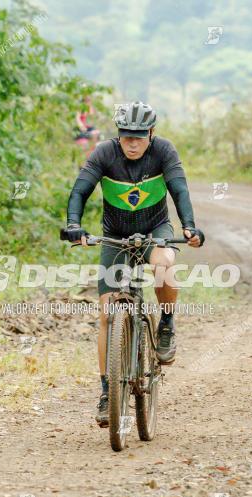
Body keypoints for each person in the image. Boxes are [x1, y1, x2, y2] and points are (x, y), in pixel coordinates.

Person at [64, 101, 205, 426]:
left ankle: (166, 324)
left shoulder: (164, 152)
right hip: (115, 235)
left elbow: (180, 190)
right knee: (106, 312)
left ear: (151, 134)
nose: (132, 141)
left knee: (164, 263)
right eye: (126, 135)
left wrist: (188, 226)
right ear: (119, 134)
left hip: (156, 229)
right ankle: (106, 392)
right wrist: (74, 224)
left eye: (139, 136)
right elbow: (80, 190)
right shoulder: (104, 153)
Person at [74, 96, 100, 164]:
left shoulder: (89, 110)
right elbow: (77, 119)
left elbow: (91, 118)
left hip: (88, 130)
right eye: (86, 101)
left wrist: (90, 108)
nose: (88, 103)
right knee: (84, 145)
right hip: (81, 131)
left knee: (96, 134)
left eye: (89, 101)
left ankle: (92, 157)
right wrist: (81, 126)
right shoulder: (80, 109)